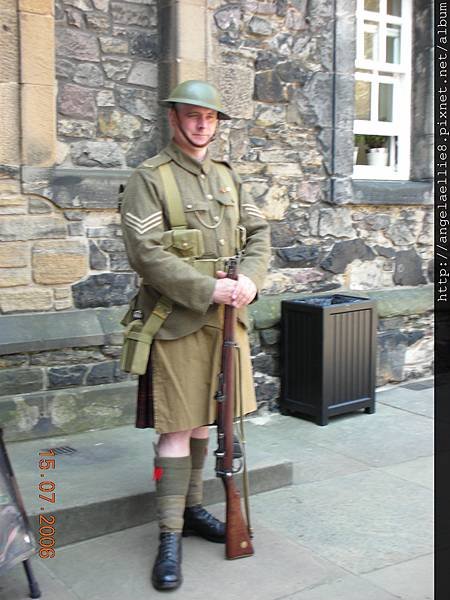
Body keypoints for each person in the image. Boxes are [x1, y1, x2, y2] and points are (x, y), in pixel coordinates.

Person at [120, 80, 270, 591]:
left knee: (209, 420)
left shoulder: (229, 178)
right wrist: (210, 289)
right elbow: (146, 254)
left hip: (228, 322)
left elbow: (259, 235)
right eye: (191, 115)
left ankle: (193, 510)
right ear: (173, 119)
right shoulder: (150, 177)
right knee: (176, 429)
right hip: (178, 320)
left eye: (210, 117)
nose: (201, 124)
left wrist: (251, 278)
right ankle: (168, 532)